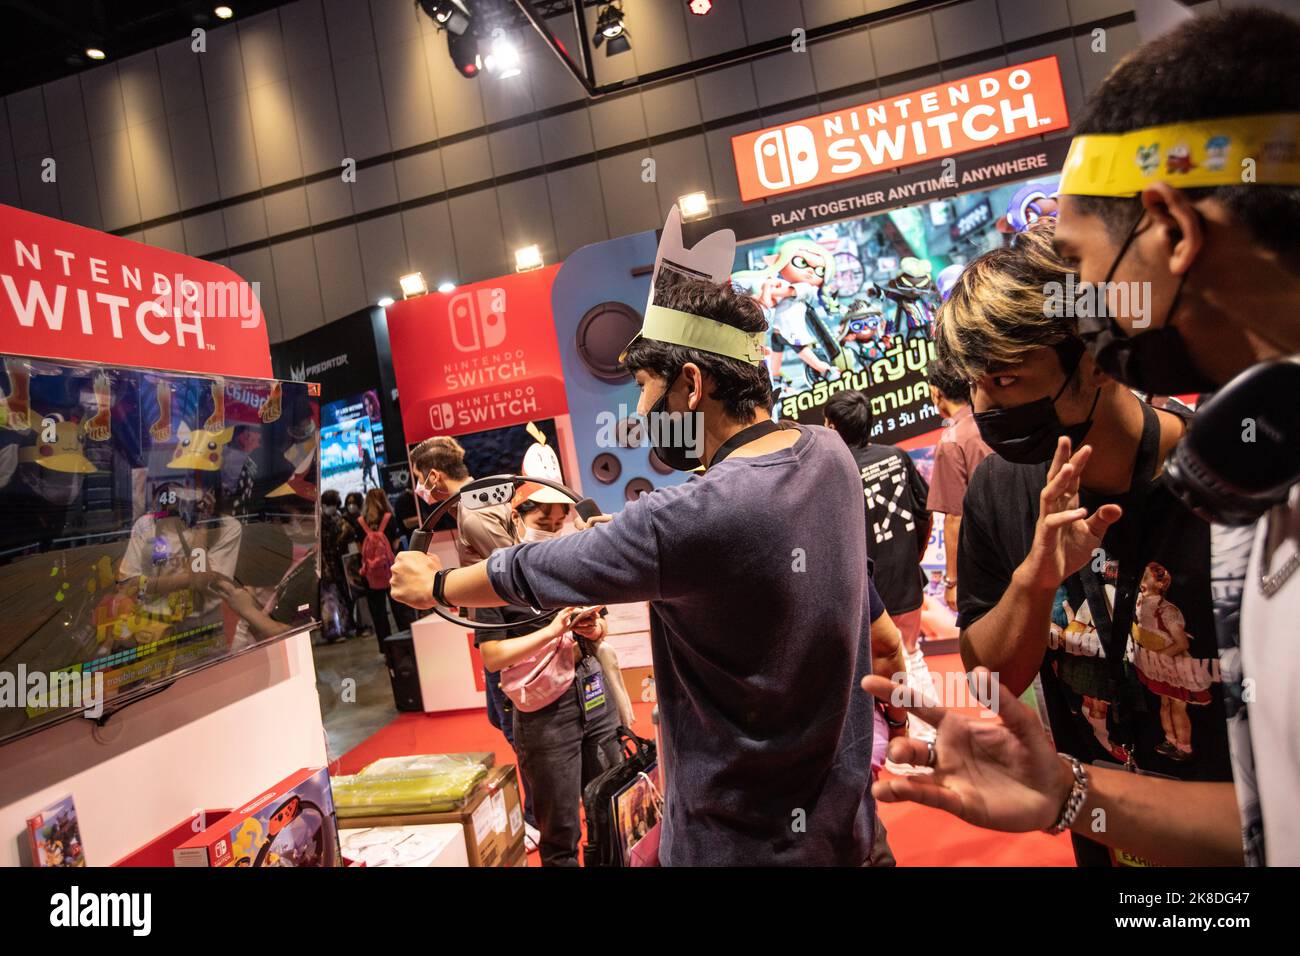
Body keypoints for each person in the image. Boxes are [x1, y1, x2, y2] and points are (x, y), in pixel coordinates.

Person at [864, 6, 1300, 868]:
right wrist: (1072, 792)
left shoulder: (1243, 491)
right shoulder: (1261, 467)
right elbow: (1280, 824)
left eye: (1084, 258)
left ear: (1171, 231)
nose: (1090, 299)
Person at [393, 276, 882, 865]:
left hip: (739, 844)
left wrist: (437, 585)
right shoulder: (829, 455)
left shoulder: (684, 520)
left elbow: (532, 567)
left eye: (648, 389)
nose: (642, 410)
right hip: (847, 828)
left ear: (692, 385)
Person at [823, 389, 937, 754]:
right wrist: (911, 558)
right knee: (911, 655)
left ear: (832, 426)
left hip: (868, 590)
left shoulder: (833, 475)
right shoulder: (897, 457)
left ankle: (907, 747)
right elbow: (925, 513)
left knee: (881, 671)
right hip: (904, 580)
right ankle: (932, 736)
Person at [476, 594, 621, 867]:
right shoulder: (495, 579)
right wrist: (552, 631)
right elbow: (493, 656)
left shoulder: (574, 561)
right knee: (560, 828)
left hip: (593, 688)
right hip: (543, 709)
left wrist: (592, 627)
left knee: (609, 808)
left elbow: (602, 624)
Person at [924, 357, 992, 612]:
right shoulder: (991, 421)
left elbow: (955, 516)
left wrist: (952, 581)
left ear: (936, 392)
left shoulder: (952, 440)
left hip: (986, 561)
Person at [356, 488, 414, 651]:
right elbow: (395, 544)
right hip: (391, 570)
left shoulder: (360, 522)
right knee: (400, 608)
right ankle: (405, 643)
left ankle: (386, 648)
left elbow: (360, 549)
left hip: (371, 575)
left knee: (378, 612)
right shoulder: (389, 518)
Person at [318, 489, 356, 643]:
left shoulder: (334, 519)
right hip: (325, 566)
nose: (333, 507)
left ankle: (342, 628)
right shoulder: (320, 521)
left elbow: (346, 534)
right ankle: (333, 632)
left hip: (336, 565)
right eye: (331, 504)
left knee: (338, 599)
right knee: (329, 600)